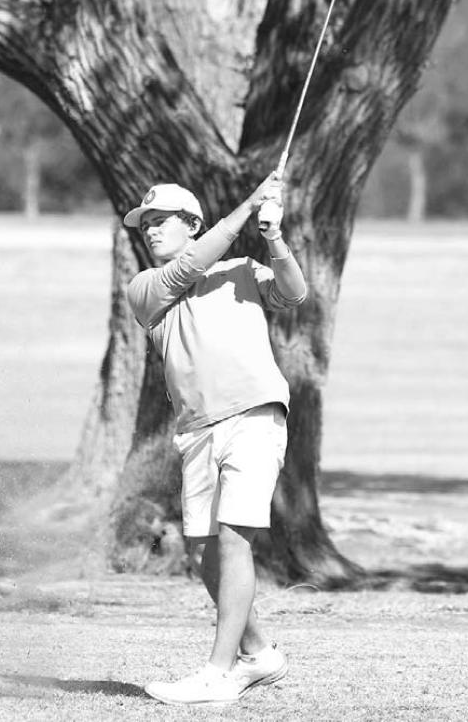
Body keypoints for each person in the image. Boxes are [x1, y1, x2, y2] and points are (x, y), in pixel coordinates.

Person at [123, 175, 307, 705]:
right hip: (196, 429)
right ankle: (260, 655)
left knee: (233, 539)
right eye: (147, 224)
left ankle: (219, 673)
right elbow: (188, 268)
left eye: (162, 221)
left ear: (193, 225)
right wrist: (248, 206)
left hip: (253, 414)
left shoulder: (240, 272)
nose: (152, 231)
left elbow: (294, 293)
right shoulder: (145, 287)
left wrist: (273, 237)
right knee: (204, 549)